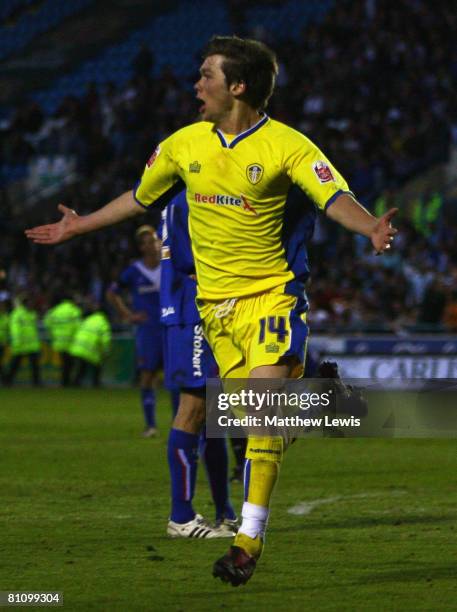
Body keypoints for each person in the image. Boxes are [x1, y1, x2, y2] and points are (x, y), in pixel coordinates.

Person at [25, 35, 397, 586]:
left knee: (263, 416)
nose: (196, 85)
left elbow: (331, 196)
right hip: (214, 309)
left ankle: (247, 543)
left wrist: (370, 226)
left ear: (237, 86)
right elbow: (140, 197)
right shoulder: (182, 144)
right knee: (253, 428)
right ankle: (319, 401)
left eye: (206, 76)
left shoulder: (288, 146)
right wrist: (80, 224)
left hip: (273, 295)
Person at [160, 190, 237, 538]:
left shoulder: (194, 196)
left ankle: (225, 511)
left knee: (213, 417)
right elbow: (190, 262)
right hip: (192, 312)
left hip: (204, 312)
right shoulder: (186, 200)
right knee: (192, 409)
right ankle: (181, 517)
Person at [106, 225, 163, 437]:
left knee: (178, 379)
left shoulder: (170, 266)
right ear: (141, 247)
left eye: (153, 240)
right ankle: (151, 426)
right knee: (147, 377)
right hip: (148, 331)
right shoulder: (134, 271)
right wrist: (128, 315)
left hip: (171, 328)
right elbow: (112, 293)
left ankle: (183, 426)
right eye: (145, 242)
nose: (150, 245)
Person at [44, 293, 82, 386]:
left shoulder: (55, 310)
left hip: (59, 342)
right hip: (71, 342)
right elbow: (78, 326)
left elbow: (47, 323)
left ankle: (64, 382)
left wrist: (54, 333)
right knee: (70, 364)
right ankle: (68, 382)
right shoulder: (74, 311)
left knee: (64, 363)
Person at [69, 303, 111, 387]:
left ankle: (75, 383)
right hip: (88, 348)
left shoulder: (89, 319)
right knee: (96, 365)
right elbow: (105, 340)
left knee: (81, 367)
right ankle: (96, 383)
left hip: (77, 346)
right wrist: (106, 352)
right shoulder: (103, 323)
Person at [6, 293, 42, 386]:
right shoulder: (18, 314)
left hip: (31, 344)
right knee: (15, 365)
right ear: (25, 304)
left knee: (34, 365)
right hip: (21, 344)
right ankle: (8, 380)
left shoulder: (32, 314)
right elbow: (15, 329)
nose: (32, 304)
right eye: (30, 303)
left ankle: (36, 382)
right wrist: (17, 341)